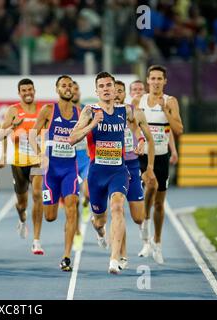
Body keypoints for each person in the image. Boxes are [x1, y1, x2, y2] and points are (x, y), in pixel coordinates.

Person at [70, 72, 134, 274]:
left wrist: (140, 141)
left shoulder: (126, 111)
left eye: (109, 85)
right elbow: (72, 139)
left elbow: (138, 126)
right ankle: (99, 230)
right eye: (102, 86)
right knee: (100, 220)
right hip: (97, 173)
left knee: (117, 207)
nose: (106, 89)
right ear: (96, 91)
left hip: (118, 170)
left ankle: (114, 259)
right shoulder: (89, 111)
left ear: (116, 90)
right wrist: (92, 124)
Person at [133, 65, 183, 264]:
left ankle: (157, 242)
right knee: (150, 185)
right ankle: (145, 223)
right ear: (147, 81)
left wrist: (165, 111)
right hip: (143, 156)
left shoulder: (171, 101)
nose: (155, 82)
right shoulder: (139, 101)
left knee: (160, 204)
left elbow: (179, 128)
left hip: (162, 155)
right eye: (152, 78)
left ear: (165, 81)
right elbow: (133, 126)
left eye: (159, 79)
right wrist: (140, 139)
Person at [30, 75, 79, 271]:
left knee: (72, 207)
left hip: (70, 169)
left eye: (70, 85)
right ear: (57, 89)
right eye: (63, 85)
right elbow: (33, 134)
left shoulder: (79, 112)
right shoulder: (48, 110)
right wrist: (40, 154)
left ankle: (67, 256)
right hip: (51, 170)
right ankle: (54, 208)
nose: (67, 88)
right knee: (50, 216)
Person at [0, 78, 44, 255]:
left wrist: (45, 153)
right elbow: (1, 133)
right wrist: (2, 154)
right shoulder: (13, 111)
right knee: (22, 203)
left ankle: (36, 240)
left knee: (37, 194)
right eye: (24, 90)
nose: (27, 93)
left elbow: (47, 134)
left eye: (30, 89)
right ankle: (22, 218)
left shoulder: (42, 110)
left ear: (34, 91)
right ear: (19, 93)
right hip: (18, 163)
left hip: (36, 160)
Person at [114, 80, 156, 270]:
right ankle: (121, 256)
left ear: (124, 94)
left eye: (120, 91)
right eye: (113, 91)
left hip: (132, 165)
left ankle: (144, 235)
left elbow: (148, 138)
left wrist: (149, 166)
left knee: (138, 217)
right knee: (118, 210)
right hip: (114, 167)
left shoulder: (134, 113)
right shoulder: (101, 114)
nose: (116, 94)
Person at [70, 81, 90, 252]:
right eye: (71, 89)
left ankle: (87, 204)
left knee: (88, 192)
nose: (74, 92)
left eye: (76, 89)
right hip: (71, 160)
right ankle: (76, 233)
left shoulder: (87, 110)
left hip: (86, 157)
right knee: (73, 200)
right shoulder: (64, 112)